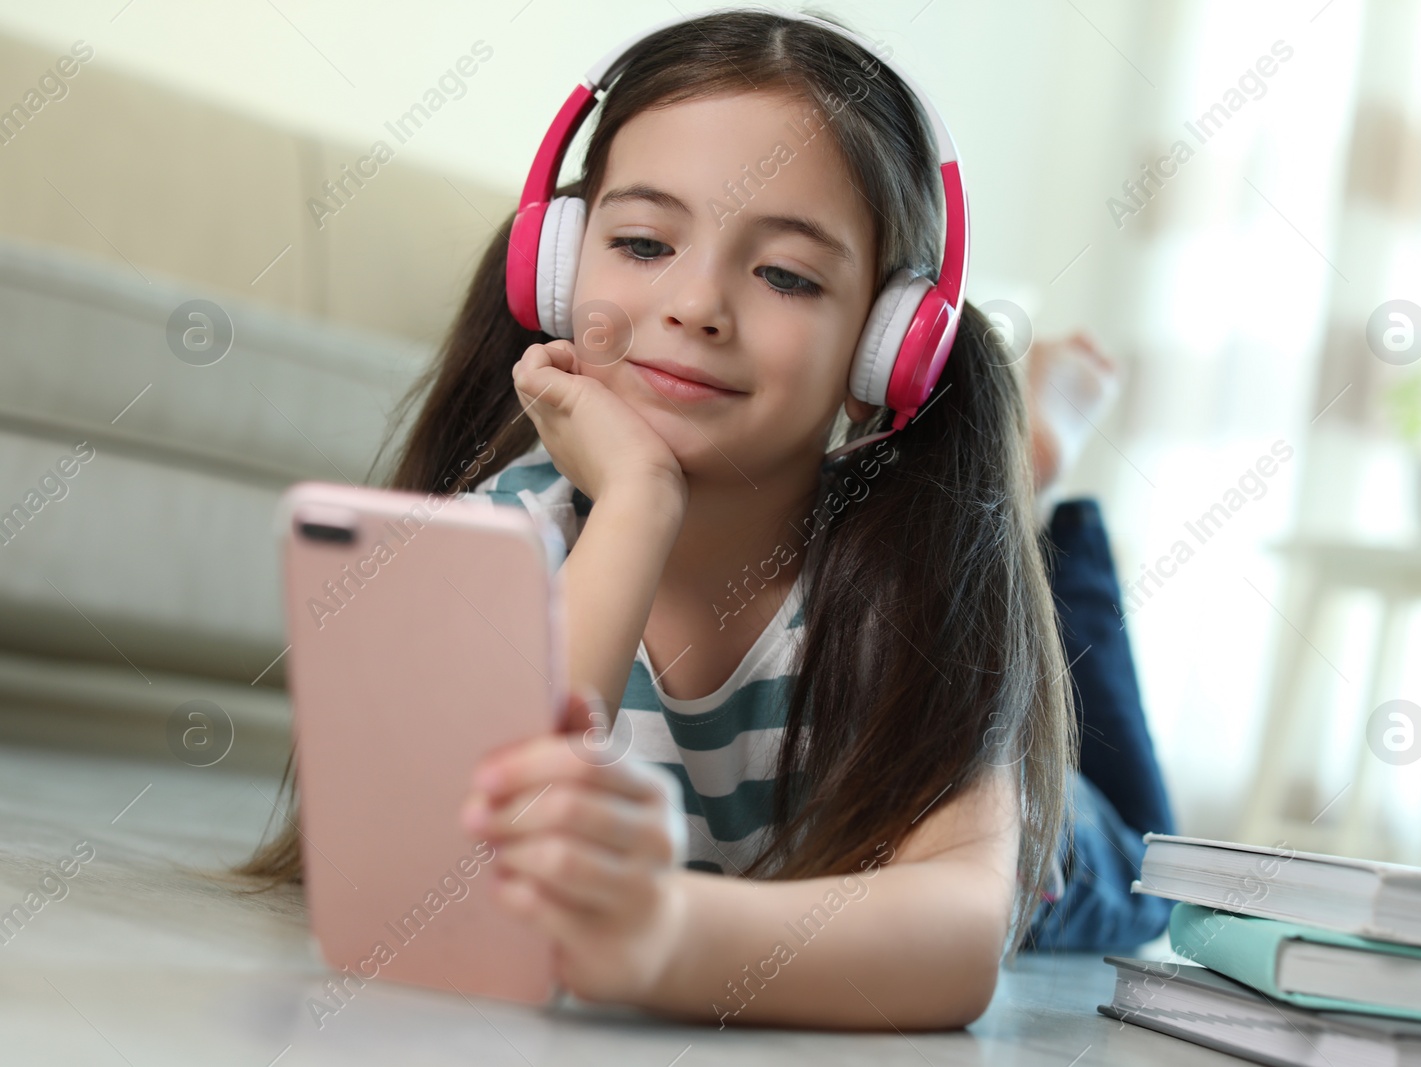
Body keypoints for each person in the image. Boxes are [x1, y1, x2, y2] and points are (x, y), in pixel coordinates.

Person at [231, 8, 1164, 1029]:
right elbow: (446, 885)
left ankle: (1039, 489)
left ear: (883, 350)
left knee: (1149, 862)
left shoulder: (909, 577)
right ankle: (1028, 481)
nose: (695, 304)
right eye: (640, 241)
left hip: (1063, 850)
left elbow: (955, 935)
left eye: (785, 275)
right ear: (556, 265)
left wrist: (666, 935)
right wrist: (635, 505)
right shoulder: (500, 536)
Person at [1018, 332, 1178, 952]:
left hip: (993, 803)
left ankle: (1014, 495)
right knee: (1156, 874)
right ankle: (1014, 497)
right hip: (997, 816)